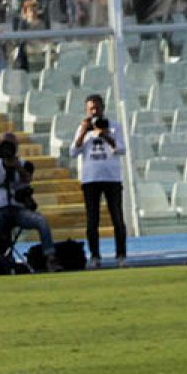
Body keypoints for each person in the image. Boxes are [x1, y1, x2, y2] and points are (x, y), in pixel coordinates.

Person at [0, 134, 59, 269]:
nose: (7, 150)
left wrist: (17, 166)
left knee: (41, 221)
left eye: (10, 146)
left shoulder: (25, 164)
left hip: (18, 210)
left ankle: (50, 258)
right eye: (4, 146)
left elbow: (27, 179)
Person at [70, 94, 127, 267]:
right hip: (91, 179)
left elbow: (122, 150)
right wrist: (83, 132)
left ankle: (121, 255)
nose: (94, 111)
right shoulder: (83, 128)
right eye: (91, 109)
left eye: (97, 108)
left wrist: (106, 136)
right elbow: (73, 152)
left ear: (103, 108)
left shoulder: (115, 127)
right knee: (92, 220)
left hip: (111, 178)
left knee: (117, 218)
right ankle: (95, 256)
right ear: (87, 110)